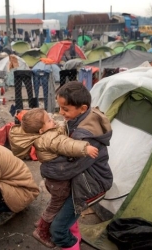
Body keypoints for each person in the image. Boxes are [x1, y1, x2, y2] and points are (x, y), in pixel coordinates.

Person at [9, 108, 99, 247]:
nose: (53, 120)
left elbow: (58, 131)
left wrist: (66, 123)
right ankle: (42, 231)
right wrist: (85, 148)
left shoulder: (46, 133)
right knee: (56, 206)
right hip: (59, 183)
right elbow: (65, 144)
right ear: (41, 130)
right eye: (49, 120)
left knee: (55, 203)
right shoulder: (47, 139)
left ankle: (42, 222)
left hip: (53, 181)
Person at [44, 82, 113, 249]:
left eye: (65, 109)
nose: (61, 113)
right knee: (65, 217)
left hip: (92, 185)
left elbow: (67, 169)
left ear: (82, 108)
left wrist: (45, 167)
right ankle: (73, 233)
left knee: (57, 230)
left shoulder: (86, 138)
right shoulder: (79, 119)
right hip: (82, 180)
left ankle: (72, 243)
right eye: (60, 108)